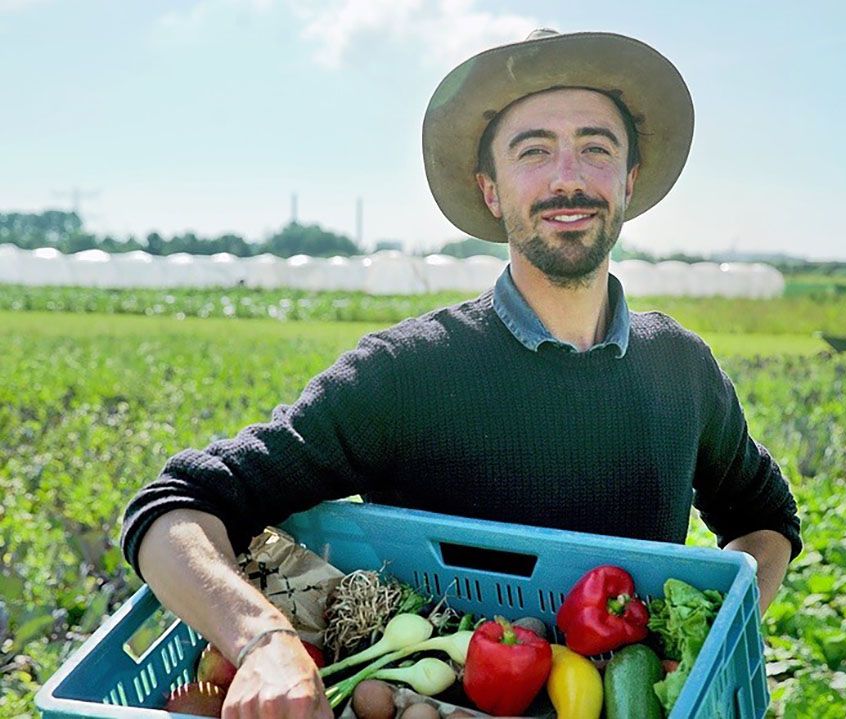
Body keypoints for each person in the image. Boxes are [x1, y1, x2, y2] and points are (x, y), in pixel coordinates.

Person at [121, 29, 802, 719]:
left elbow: (765, 519)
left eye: (596, 148)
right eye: (533, 151)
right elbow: (171, 506)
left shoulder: (679, 370)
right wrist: (263, 638)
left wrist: (709, 643)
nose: (568, 176)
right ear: (492, 191)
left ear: (626, 181)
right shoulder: (407, 372)